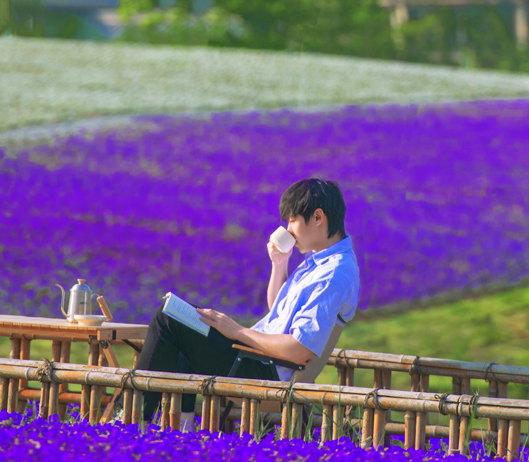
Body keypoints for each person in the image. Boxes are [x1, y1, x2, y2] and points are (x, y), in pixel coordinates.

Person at [135, 177, 360, 428]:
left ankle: (133, 422)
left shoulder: (333, 273)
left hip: (265, 370)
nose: (288, 229)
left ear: (318, 217)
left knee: (167, 320)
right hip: (256, 358)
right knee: (186, 316)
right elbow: (278, 311)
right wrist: (279, 263)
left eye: (292, 220)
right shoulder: (320, 262)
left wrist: (238, 331)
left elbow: (299, 348)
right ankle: (181, 425)